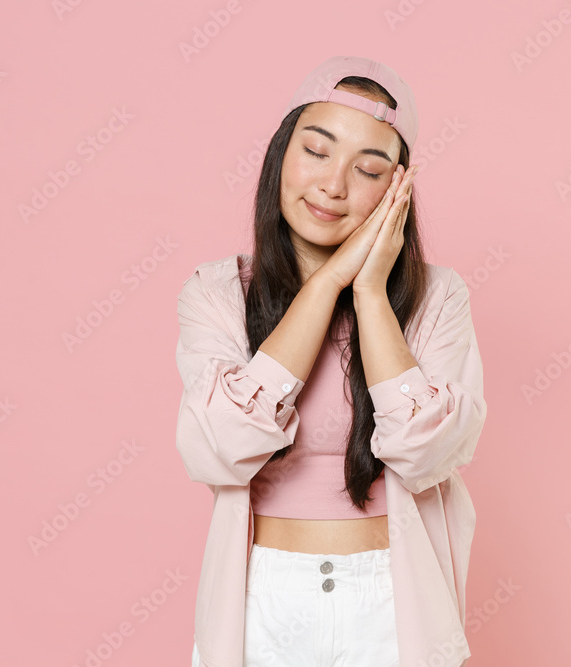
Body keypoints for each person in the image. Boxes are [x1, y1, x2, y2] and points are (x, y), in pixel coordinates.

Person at [176, 55, 487, 667]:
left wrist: (368, 293)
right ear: (280, 155)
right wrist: (324, 287)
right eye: (316, 152)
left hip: (392, 605)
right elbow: (218, 447)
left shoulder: (438, 298)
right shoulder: (215, 293)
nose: (334, 184)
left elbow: (428, 454)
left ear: (397, 189)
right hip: (261, 599)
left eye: (368, 169)